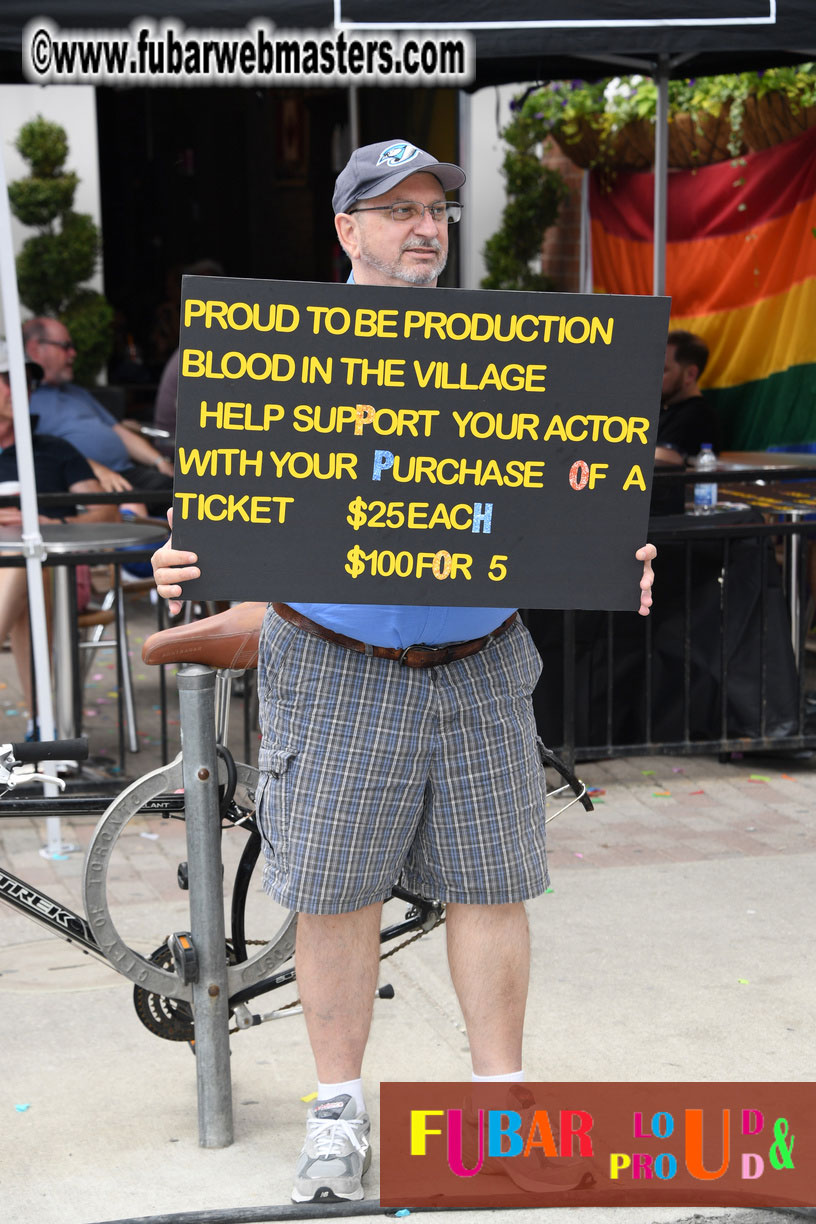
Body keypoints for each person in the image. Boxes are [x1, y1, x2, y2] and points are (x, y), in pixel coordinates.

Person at [152, 139, 657, 1205]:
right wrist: (181, 554)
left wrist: (619, 545)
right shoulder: (277, 356)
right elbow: (223, 508)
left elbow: (572, 485)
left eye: (435, 208)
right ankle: (337, 1119)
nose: (423, 225)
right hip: (336, 665)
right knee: (337, 898)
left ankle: (500, 1119)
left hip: (482, 664)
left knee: (493, 887)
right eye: (394, 210)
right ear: (346, 231)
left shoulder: (507, 354)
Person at [0, 341, 118, 732]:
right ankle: (43, 726)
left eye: (25, 382)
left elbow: (105, 512)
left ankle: (44, 724)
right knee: (22, 568)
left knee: (27, 562)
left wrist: (46, 523)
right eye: (9, 380)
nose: (20, 390)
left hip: (57, 576)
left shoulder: (52, 450)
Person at [22, 317, 175, 504]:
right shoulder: (22, 400)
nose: (73, 353)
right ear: (35, 349)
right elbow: (43, 453)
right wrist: (95, 471)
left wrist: (160, 462)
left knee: (178, 490)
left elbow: (119, 431)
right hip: (91, 484)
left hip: (128, 473)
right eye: (65, 346)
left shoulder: (77, 392)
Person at [656, 329, 721, 463]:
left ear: (690, 374)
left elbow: (661, 463)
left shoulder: (698, 416)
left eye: (662, 370)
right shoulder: (664, 409)